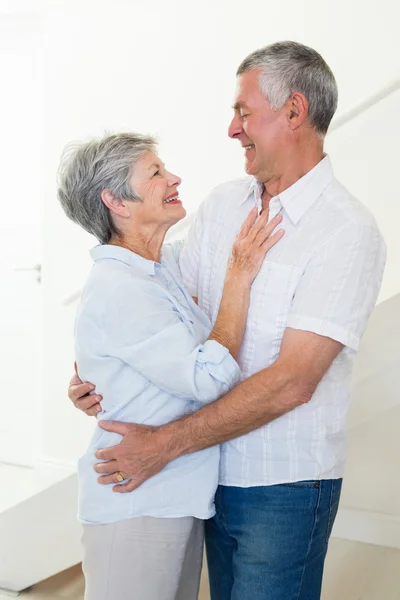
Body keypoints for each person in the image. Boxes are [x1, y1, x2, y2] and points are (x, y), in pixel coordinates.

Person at [69, 42, 386, 600]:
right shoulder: (221, 207)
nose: (231, 130)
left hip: (281, 486)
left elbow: (293, 381)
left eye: (243, 113)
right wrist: (101, 369)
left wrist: (167, 443)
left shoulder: (345, 231)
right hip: (208, 479)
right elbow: (160, 306)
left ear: (293, 112)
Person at [58, 132, 283, 600]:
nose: (174, 178)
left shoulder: (162, 269)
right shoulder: (123, 287)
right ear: (115, 200)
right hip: (136, 503)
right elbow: (207, 378)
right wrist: (241, 275)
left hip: (172, 497)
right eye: (156, 172)